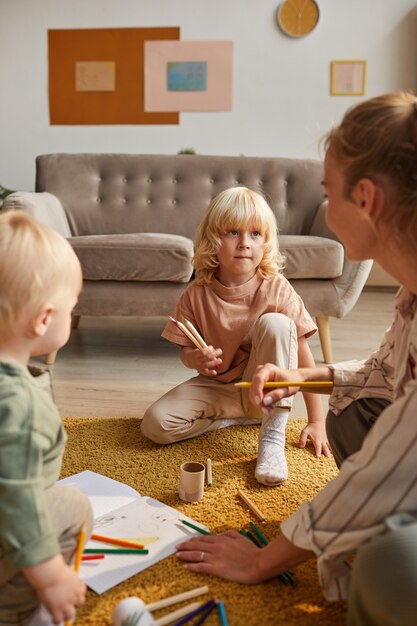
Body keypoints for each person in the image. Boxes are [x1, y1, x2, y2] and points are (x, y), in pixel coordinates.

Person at [176, 92, 417, 626]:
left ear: (368, 200)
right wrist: (297, 374)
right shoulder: (410, 295)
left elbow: (385, 472)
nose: (325, 212)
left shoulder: (277, 289)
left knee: (388, 568)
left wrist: (265, 558)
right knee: (354, 412)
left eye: (328, 194)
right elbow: (384, 375)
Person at [141, 186, 330, 486]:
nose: (244, 243)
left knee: (278, 324)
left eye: (255, 234)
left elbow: (304, 356)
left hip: (264, 388)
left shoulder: (277, 287)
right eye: (232, 232)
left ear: (266, 242)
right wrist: (196, 360)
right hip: (220, 389)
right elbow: (184, 352)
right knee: (155, 425)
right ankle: (234, 418)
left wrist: (317, 421)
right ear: (212, 240)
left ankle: (271, 437)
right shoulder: (195, 293)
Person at [0, 211, 93, 626]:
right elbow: (15, 498)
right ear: (43, 319)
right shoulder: (17, 404)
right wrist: (52, 576)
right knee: (75, 506)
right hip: (9, 540)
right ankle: (21, 607)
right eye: (71, 310)